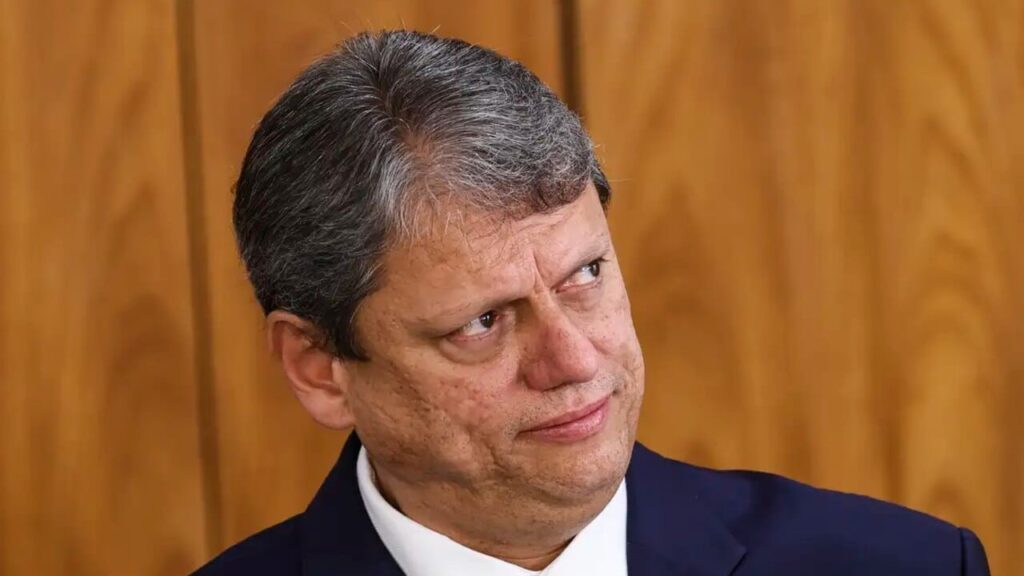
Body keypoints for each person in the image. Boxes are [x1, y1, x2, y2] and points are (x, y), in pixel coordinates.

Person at [193, 30, 989, 576]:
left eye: (585, 275)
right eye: (482, 323)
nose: (574, 360)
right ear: (319, 368)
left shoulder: (908, 564)